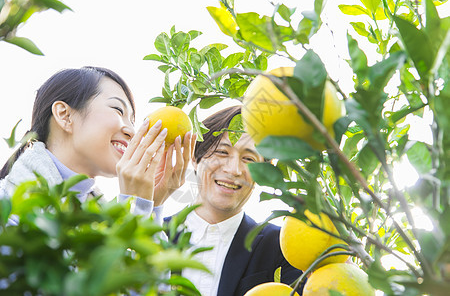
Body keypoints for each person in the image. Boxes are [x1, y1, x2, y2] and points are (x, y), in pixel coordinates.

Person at [0, 66, 195, 224]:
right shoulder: (8, 204)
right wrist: (136, 209)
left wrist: (151, 204)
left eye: (133, 121)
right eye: (118, 110)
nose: (132, 131)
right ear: (64, 115)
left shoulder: (95, 214)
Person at [166, 106, 303, 296]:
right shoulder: (155, 231)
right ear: (195, 158)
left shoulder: (282, 248)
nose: (233, 169)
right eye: (222, 152)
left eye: (248, 158)